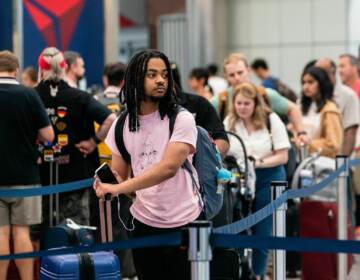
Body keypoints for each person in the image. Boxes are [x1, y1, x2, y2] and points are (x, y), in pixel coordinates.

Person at [94, 50, 202, 280]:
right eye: (152, 74)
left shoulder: (181, 118)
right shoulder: (122, 123)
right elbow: (120, 176)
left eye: (164, 74)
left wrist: (118, 188)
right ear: (134, 78)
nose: (161, 79)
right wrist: (107, 187)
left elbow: (168, 168)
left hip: (184, 220)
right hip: (143, 221)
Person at [35, 47, 116, 226]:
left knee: (36, 235)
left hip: (38, 176)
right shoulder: (80, 96)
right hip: (74, 175)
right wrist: (93, 142)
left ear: (41, 69)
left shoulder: (31, 96)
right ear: (63, 68)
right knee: (75, 233)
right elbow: (111, 119)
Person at [223, 82, 290, 279]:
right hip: (239, 178)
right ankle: (241, 271)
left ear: (256, 104)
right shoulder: (230, 122)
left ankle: (258, 273)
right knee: (238, 227)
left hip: (267, 177)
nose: (242, 107)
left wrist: (259, 162)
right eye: (238, 103)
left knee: (263, 231)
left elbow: (283, 155)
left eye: (246, 103)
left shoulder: (271, 120)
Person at [0, 50, 54, 280]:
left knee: (0, 234)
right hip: (26, 176)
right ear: (16, 70)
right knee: (22, 233)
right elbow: (49, 135)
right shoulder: (29, 95)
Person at [212, 53, 309, 147]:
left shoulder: (265, 94)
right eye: (232, 75)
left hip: (269, 154)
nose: (237, 78)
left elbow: (292, 109)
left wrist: (301, 133)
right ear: (226, 77)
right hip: (234, 155)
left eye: (240, 72)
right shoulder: (220, 100)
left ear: (248, 71)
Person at [171, 62, 229, 156]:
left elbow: (219, 135)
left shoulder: (201, 101)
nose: (189, 82)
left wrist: (207, 161)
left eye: (192, 79)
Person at [315, 58, 359, 156]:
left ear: (333, 73)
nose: (319, 77)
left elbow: (350, 131)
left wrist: (342, 163)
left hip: (338, 156)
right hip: (314, 156)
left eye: (323, 73)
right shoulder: (312, 95)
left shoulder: (348, 95)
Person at [300, 66, 342, 158]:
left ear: (322, 84)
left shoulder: (330, 109)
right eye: (304, 82)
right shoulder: (302, 106)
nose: (306, 86)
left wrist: (307, 143)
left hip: (322, 163)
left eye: (310, 82)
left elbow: (333, 144)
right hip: (303, 160)